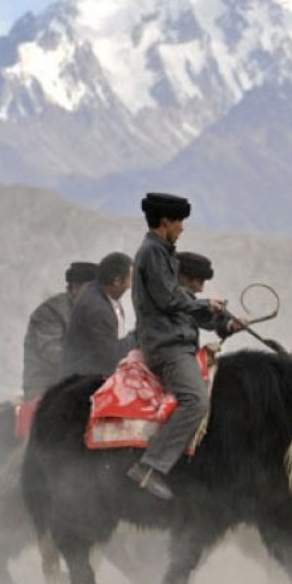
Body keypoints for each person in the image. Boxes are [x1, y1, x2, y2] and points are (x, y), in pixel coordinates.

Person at [126, 193, 227, 500]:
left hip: (178, 344)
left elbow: (180, 304)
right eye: (179, 222)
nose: (182, 228)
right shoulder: (152, 253)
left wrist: (223, 322)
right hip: (167, 348)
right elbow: (170, 300)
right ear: (165, 222)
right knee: (197, 401)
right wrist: (204, 303)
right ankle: (149, 467)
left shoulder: (164, 252)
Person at [22, 261, 97, 399]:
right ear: (75, 287)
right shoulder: (51, 311)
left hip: (78, 385)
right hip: (45, 386)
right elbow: (51, 351)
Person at [59, 252, 136, 380]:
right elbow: (111, 356)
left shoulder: (108, 296)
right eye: (131, 277)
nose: (132, 283)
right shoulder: (96, 308)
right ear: (117, 281)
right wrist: (139, 335)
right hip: (82, 383)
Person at [176, 251, 242, 340]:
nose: (201, 290)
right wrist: (206, 304)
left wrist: (230, 324)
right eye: (200, 281)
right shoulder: (162, 297)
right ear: (183, 277)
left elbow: (196, 316)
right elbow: (181, 306)